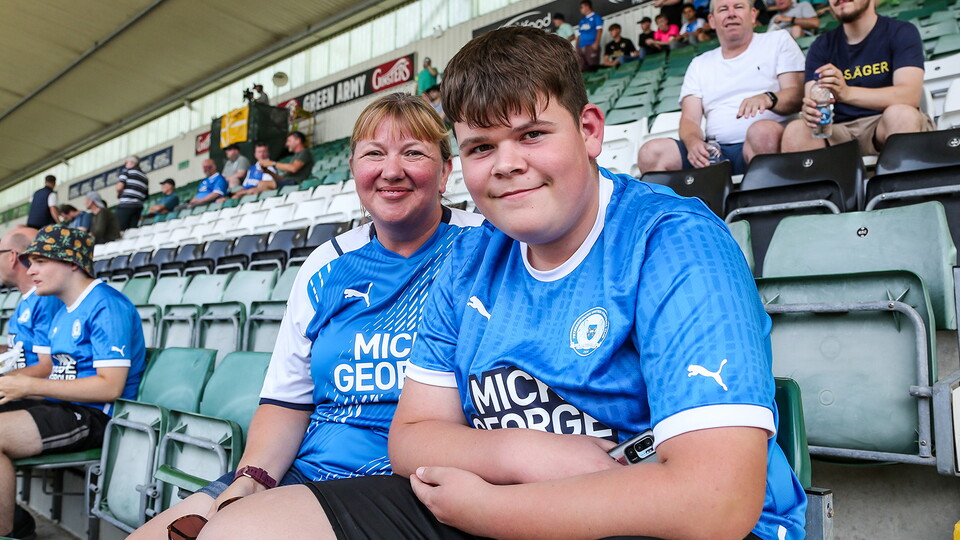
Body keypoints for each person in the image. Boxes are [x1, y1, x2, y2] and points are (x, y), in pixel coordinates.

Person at [196, 26, 806, 540]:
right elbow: (411, 438)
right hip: (495, 497)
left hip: (651, 522)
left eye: (532, 135)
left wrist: (490, 509)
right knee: (241, 531)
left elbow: (716, 501)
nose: (508, 163)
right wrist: (522, 453)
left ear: (589, 130)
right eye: (482, 146)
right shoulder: (469, 259)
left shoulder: (674, 242)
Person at [127, 92, 484, 540]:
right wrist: (251, 479)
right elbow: (287, 402)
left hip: (407, 485)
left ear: (446, 170)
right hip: (306, 470)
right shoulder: (325, 264)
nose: (392, 170)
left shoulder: (483, 248)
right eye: (374, 154)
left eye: (413, 153)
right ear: (354, 167)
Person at [0, 225, 144, 540]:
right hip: (59, 405)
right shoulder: (64, 311)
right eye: (29, 261)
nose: (31, 270)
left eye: (39, 261)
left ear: (71, 263)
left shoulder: (107, 305)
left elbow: (110, 387)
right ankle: (15, 521)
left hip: (94, 416)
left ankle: (10, 531)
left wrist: (28, 386)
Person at [638, 0, 804, 175]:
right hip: (715, 150)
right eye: (723, 9)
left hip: (768, 140)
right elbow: (689, 120)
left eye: (738, 7)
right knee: (651, 153)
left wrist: (769, 98)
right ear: (712, 20)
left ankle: (767, 199)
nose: (731, 13)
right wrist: (694, 143)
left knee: (762, 132)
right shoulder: (699, 64)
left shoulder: (777, 40)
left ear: (753, 14)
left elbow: (796, 95)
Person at [780, 0, 932, 154]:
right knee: (796, 131)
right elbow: (813, 99)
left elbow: (909, 96)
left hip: (886, 122)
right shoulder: (821, 45)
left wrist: (847, 93)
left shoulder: (901, 31)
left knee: (902, 115)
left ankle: (905, 178)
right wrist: (811, 110)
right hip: (842, 130)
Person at [0, 227, 62, 379]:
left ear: (12, 256)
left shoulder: (47, 299)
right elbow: (23, 353)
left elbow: (48, 367)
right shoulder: (28, 300)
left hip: (37, 397)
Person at [115, 156, 149, 231]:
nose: (125, 165)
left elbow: (119, 187)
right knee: (131, 231)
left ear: (131, 162)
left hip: (125, 205)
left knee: (119, 230)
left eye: (126, 162)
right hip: (138, 207)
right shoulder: (145, 177)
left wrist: (119, 194)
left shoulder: (126, 171)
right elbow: (146, 195)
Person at [576, 0, 603, 71]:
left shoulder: (596, 17)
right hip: (581, 47)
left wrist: (596, 43)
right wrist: (576, 47)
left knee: (593, 66)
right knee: (581, 69)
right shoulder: (582, 21)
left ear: (587, 6)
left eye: (582, 7)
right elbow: (579, 35)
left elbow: (599, 30)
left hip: (591, 45)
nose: (580, 9)